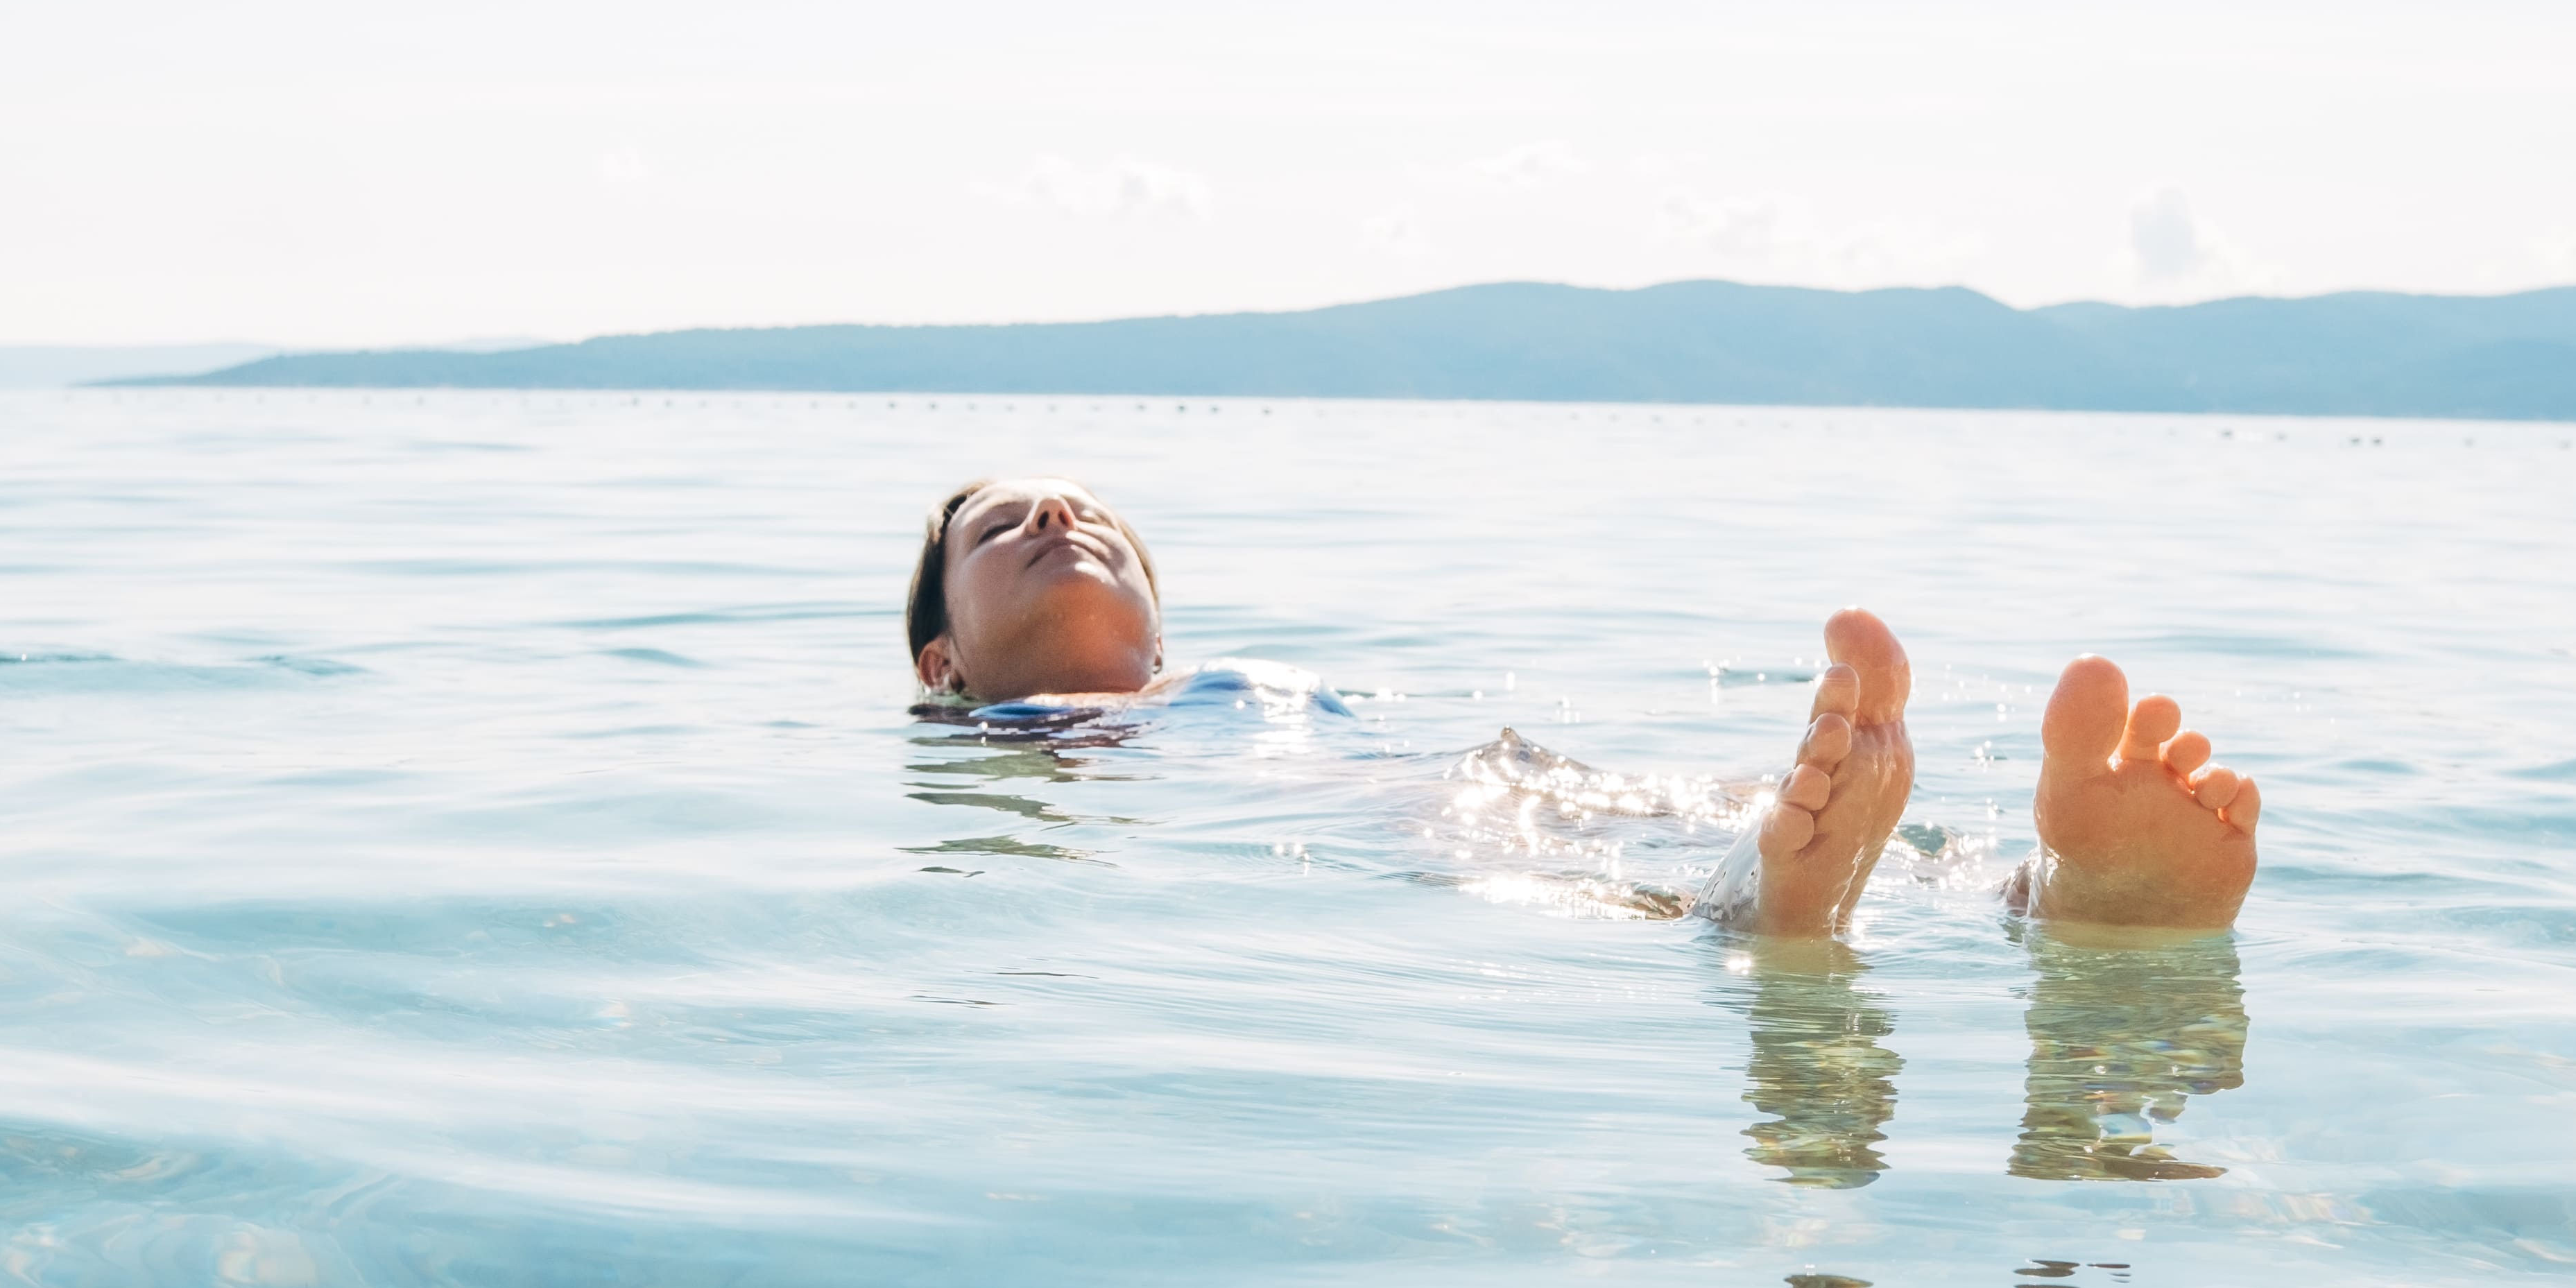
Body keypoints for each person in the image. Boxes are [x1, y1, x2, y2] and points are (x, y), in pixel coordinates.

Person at [905, 474, 2266, 938]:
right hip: (1370, 808)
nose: (1058, 516)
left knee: (1708, 808)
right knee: (1500, 834)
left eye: (1095, 523)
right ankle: (1755, 904)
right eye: (1001, 531)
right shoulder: (1019, 741)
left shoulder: (1226, 676)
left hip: (1485, 770)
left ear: (1164, 624)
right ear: (943, 664)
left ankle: (2046, 896)